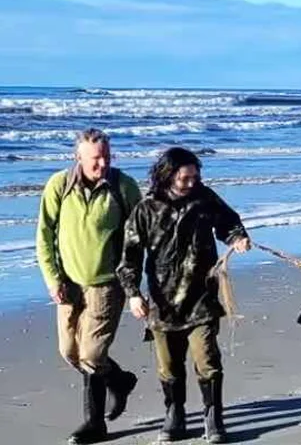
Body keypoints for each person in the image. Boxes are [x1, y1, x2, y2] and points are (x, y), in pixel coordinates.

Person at [117, 147, 251, 444]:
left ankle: (213, 417)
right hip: (162, 304)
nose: (192, 182)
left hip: (202, 297)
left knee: (207, 359)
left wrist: (238, 237)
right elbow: (130, 257)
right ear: (168, 175)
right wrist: (133, 294)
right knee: (169, 366)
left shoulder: (204, 198)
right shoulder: (146, 209)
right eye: (185, 178)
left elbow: (228, 222)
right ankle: (174, 413)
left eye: (195, 176)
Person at [35, 128, 143, 445]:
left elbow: (139, 237)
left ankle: (94, 424)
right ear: (78, 158)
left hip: (107, 284)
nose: (102, 163)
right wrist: (53, 278)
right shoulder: (59, 185)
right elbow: (44, 236)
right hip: (68, 285)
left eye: (107, 156)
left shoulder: (123, 186)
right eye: (95, 158)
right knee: (69, 352)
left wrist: (134, 283)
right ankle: (120, 381)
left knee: (92, 354)